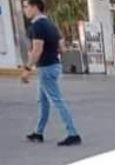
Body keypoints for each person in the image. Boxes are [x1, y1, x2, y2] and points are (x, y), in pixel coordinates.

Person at [20, 0, 81, 146]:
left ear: (35, 7)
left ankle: (73, 133)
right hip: (53, 65)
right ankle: (38, 132)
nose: (24, 10)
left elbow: (37, 50)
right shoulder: (50, 24)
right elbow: (62, 47)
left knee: (57, 101)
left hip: (46, 68)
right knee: (43, 101)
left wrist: (27, 69)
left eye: (26, 6)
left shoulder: (38, 26)